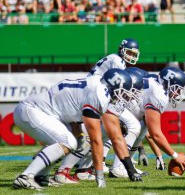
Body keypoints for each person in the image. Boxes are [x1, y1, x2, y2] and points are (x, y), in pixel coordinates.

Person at [13, 69, 142, 191]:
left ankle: (41, 176)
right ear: (114, 87)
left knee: (79, 141)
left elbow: (75, 112)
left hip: (48, 113)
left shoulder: (97, 84)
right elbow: (96, 140)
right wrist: (100, 176)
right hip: (33, 110)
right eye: (124, 93)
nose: (126, 98)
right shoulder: (99, 95)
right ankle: (25, 177)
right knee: (68, 142)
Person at [109, 67, 185, 177]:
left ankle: (127, 164)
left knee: (142, 126)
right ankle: (118, 167)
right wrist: (175, 155)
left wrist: (159, 155)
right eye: (178, 89)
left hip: (119, 105)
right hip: (113, 105)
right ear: (169, 83)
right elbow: (155, 134)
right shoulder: (159, 95)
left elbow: (149, 130)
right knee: (134, 126)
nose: (178, 94)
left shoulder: (155, 81)